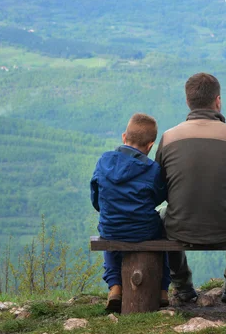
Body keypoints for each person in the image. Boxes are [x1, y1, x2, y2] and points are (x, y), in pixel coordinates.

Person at [155, 72, 226, 303]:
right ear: (217, 101)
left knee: (161, 219)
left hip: (179, 226)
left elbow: (161, 187)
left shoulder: (168, 138)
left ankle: (182, 286)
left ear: (188, 101)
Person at [91, 113, 170, 313]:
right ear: (150, 145)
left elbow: (96, 198)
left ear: (124, 137)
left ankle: (115, 286)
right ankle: (162, 289)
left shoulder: (104, 161)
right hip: (144, 230)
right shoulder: (152, 169)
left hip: (111, 226)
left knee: (109, 233)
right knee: (164, 233)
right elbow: (159, 197)